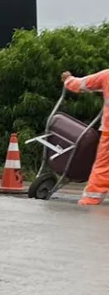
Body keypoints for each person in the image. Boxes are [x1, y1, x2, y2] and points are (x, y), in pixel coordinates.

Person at [62, 68, 109, 205]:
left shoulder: (106, 76)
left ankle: (91, 199)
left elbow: (82, 84)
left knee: (103, 168)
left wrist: (68, 80)